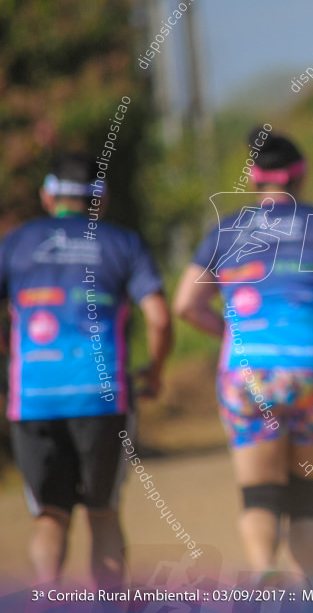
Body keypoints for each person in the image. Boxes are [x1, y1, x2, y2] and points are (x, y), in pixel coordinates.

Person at [173, 129, 313, 587]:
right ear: (300, 177)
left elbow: (186, 304)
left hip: (246, 373)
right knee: (306, 493)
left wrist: (228, 330)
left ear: (254, 178)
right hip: (312, 370)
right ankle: (307, 593)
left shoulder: (224, 230)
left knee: (259, 492)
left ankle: (265, 571)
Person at [0, 151, 172, 589]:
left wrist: (10, 360)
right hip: (103, 396)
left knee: (49, 515)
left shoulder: (16, 244)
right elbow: (159, 317)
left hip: (33, 398)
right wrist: (153, 372)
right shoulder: (122, 243)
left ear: (48, 194)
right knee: (103, 512)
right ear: (102, 198)